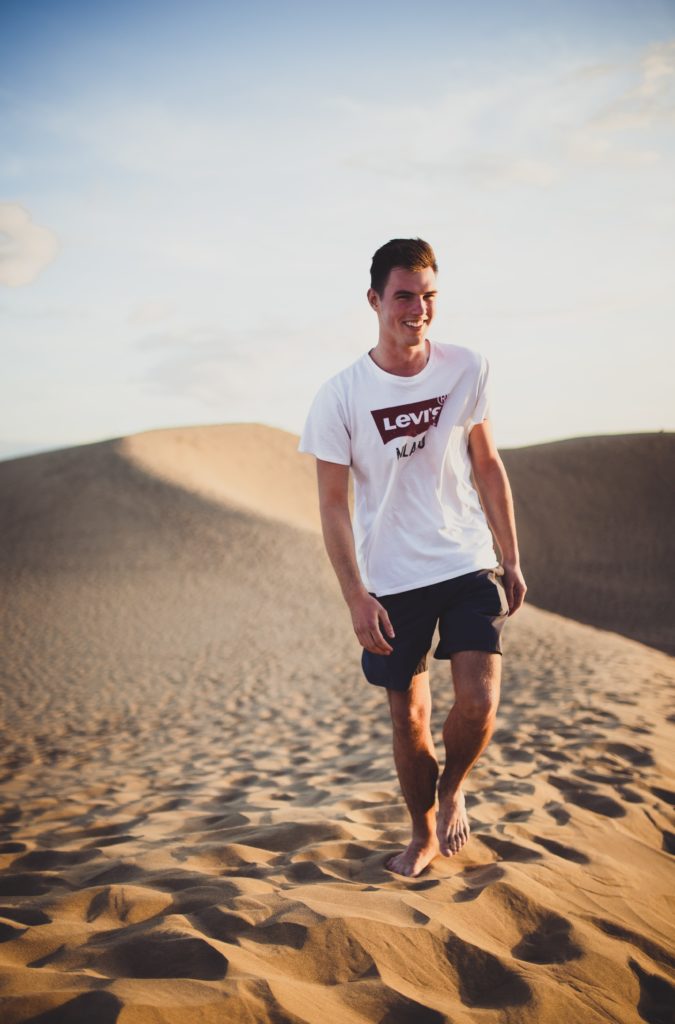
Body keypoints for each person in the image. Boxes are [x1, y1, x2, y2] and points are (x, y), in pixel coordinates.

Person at [298, 238, 527, 878]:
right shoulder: (339, 396)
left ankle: (453, 787)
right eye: (404, 295)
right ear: (375, 300)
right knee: (410, 722)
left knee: (479, 702)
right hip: (392, 576)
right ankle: (423, 833)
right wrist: (355, 596)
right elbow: (333, 506)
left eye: (428, 296)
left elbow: (487, 462)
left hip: (464, 558)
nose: (418, 309)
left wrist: (510, 556)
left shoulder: (467, 367)